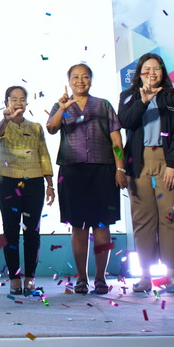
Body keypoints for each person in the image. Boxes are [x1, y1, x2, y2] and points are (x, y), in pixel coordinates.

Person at [46, 63, 126, 295]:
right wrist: (62, 109)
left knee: (102, 227)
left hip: (103, 171)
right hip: (73, 172)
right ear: (69, 80)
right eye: (75, 77)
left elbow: (116, 141)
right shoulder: (61, 105)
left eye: (85, 77)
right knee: (78, 228)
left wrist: (120, 168)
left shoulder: (104, 105)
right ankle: (82, 278)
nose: (80, 81)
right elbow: (51, 128)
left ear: (91, 79)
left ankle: (100, 277)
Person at [117, 53, 174, 294]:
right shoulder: (128, 96)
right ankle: (145, 276)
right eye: (146, 69)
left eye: (156, 68)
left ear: (163, 72)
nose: (151, 73)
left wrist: (173, 164)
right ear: (139, 73)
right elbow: (125, 122)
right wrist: (143, 101)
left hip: (167, 162)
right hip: (138, 161)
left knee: (170, 217)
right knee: (142, 220)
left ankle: (170, 276)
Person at [0, 85, 54, 296]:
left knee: (32, 231)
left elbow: (44, 155)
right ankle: (14, 278)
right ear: (6, 102)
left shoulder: (36, 127)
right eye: (14, 99)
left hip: (34, 182)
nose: (18, 103)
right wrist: (6, 119)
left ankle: (30, 277)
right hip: (8, 182)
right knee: (10, 231)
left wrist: (50, 184)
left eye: (22, 99)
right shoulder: (1, 124)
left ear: (27, 102)